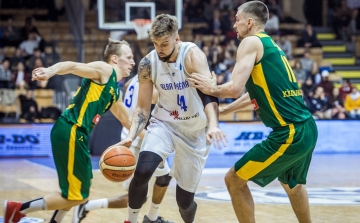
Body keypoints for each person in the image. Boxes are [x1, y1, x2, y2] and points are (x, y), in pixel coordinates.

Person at [188, 1, 318, 222]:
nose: (235, 24)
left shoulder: (250, 42)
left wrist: (209, 88)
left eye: (237, 19)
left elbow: (234, 88)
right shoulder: (270, 44)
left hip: (289, 133)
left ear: (249, 22)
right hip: (306, 128)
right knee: (292, 185)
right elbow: (257, 93)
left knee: (233, 180)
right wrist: (228, 109)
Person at [3, 39, 137, 223]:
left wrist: (156, 139)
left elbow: (127, 121)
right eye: (128, 57)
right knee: (78, 196)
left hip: (76, 134)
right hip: (71, 129)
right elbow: (72, 66)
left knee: (80, 189)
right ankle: (17, 209)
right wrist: (50, 71)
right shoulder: (105, 69)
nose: (133, 62)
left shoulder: (114, 90)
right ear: (114, 58)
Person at [116, 14, 227, 223]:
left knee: (184, 202)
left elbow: (209, 95)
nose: (160, 49)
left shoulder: (192, 56)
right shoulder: (148, 63)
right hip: (164, 124)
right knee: (142, 171)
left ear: (176, 39)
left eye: (164, 44)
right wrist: (131, 135)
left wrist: (213, 125)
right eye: (156, 44)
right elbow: (142, 108)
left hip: (195, 131)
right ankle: (131, 220)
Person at [72, 75, 174, 223]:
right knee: (137, 194)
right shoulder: (153, 78)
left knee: (164, 176)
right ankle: (88, 206)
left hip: (140, 137)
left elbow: (126, 86)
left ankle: (152, 218)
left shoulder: (136, 78)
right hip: (138, 139)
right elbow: (155, 98)